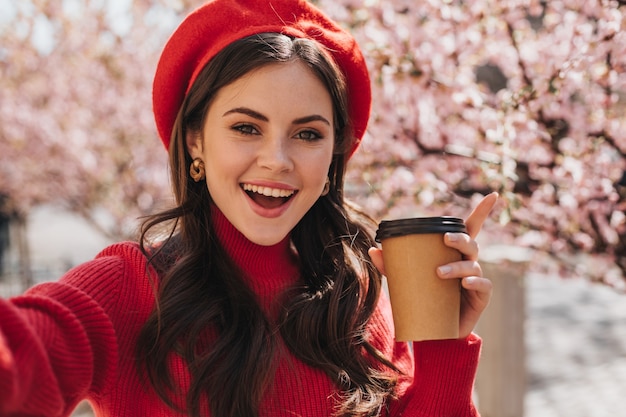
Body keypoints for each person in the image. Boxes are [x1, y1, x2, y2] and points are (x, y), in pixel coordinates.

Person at [0, 0, 499, 416]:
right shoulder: (132, 285)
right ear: (195, 140)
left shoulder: (359, 296)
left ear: (334, 155)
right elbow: (25, 357)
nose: (276, 161)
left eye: (307, 134)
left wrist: (442, 344)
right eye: (246, 127)